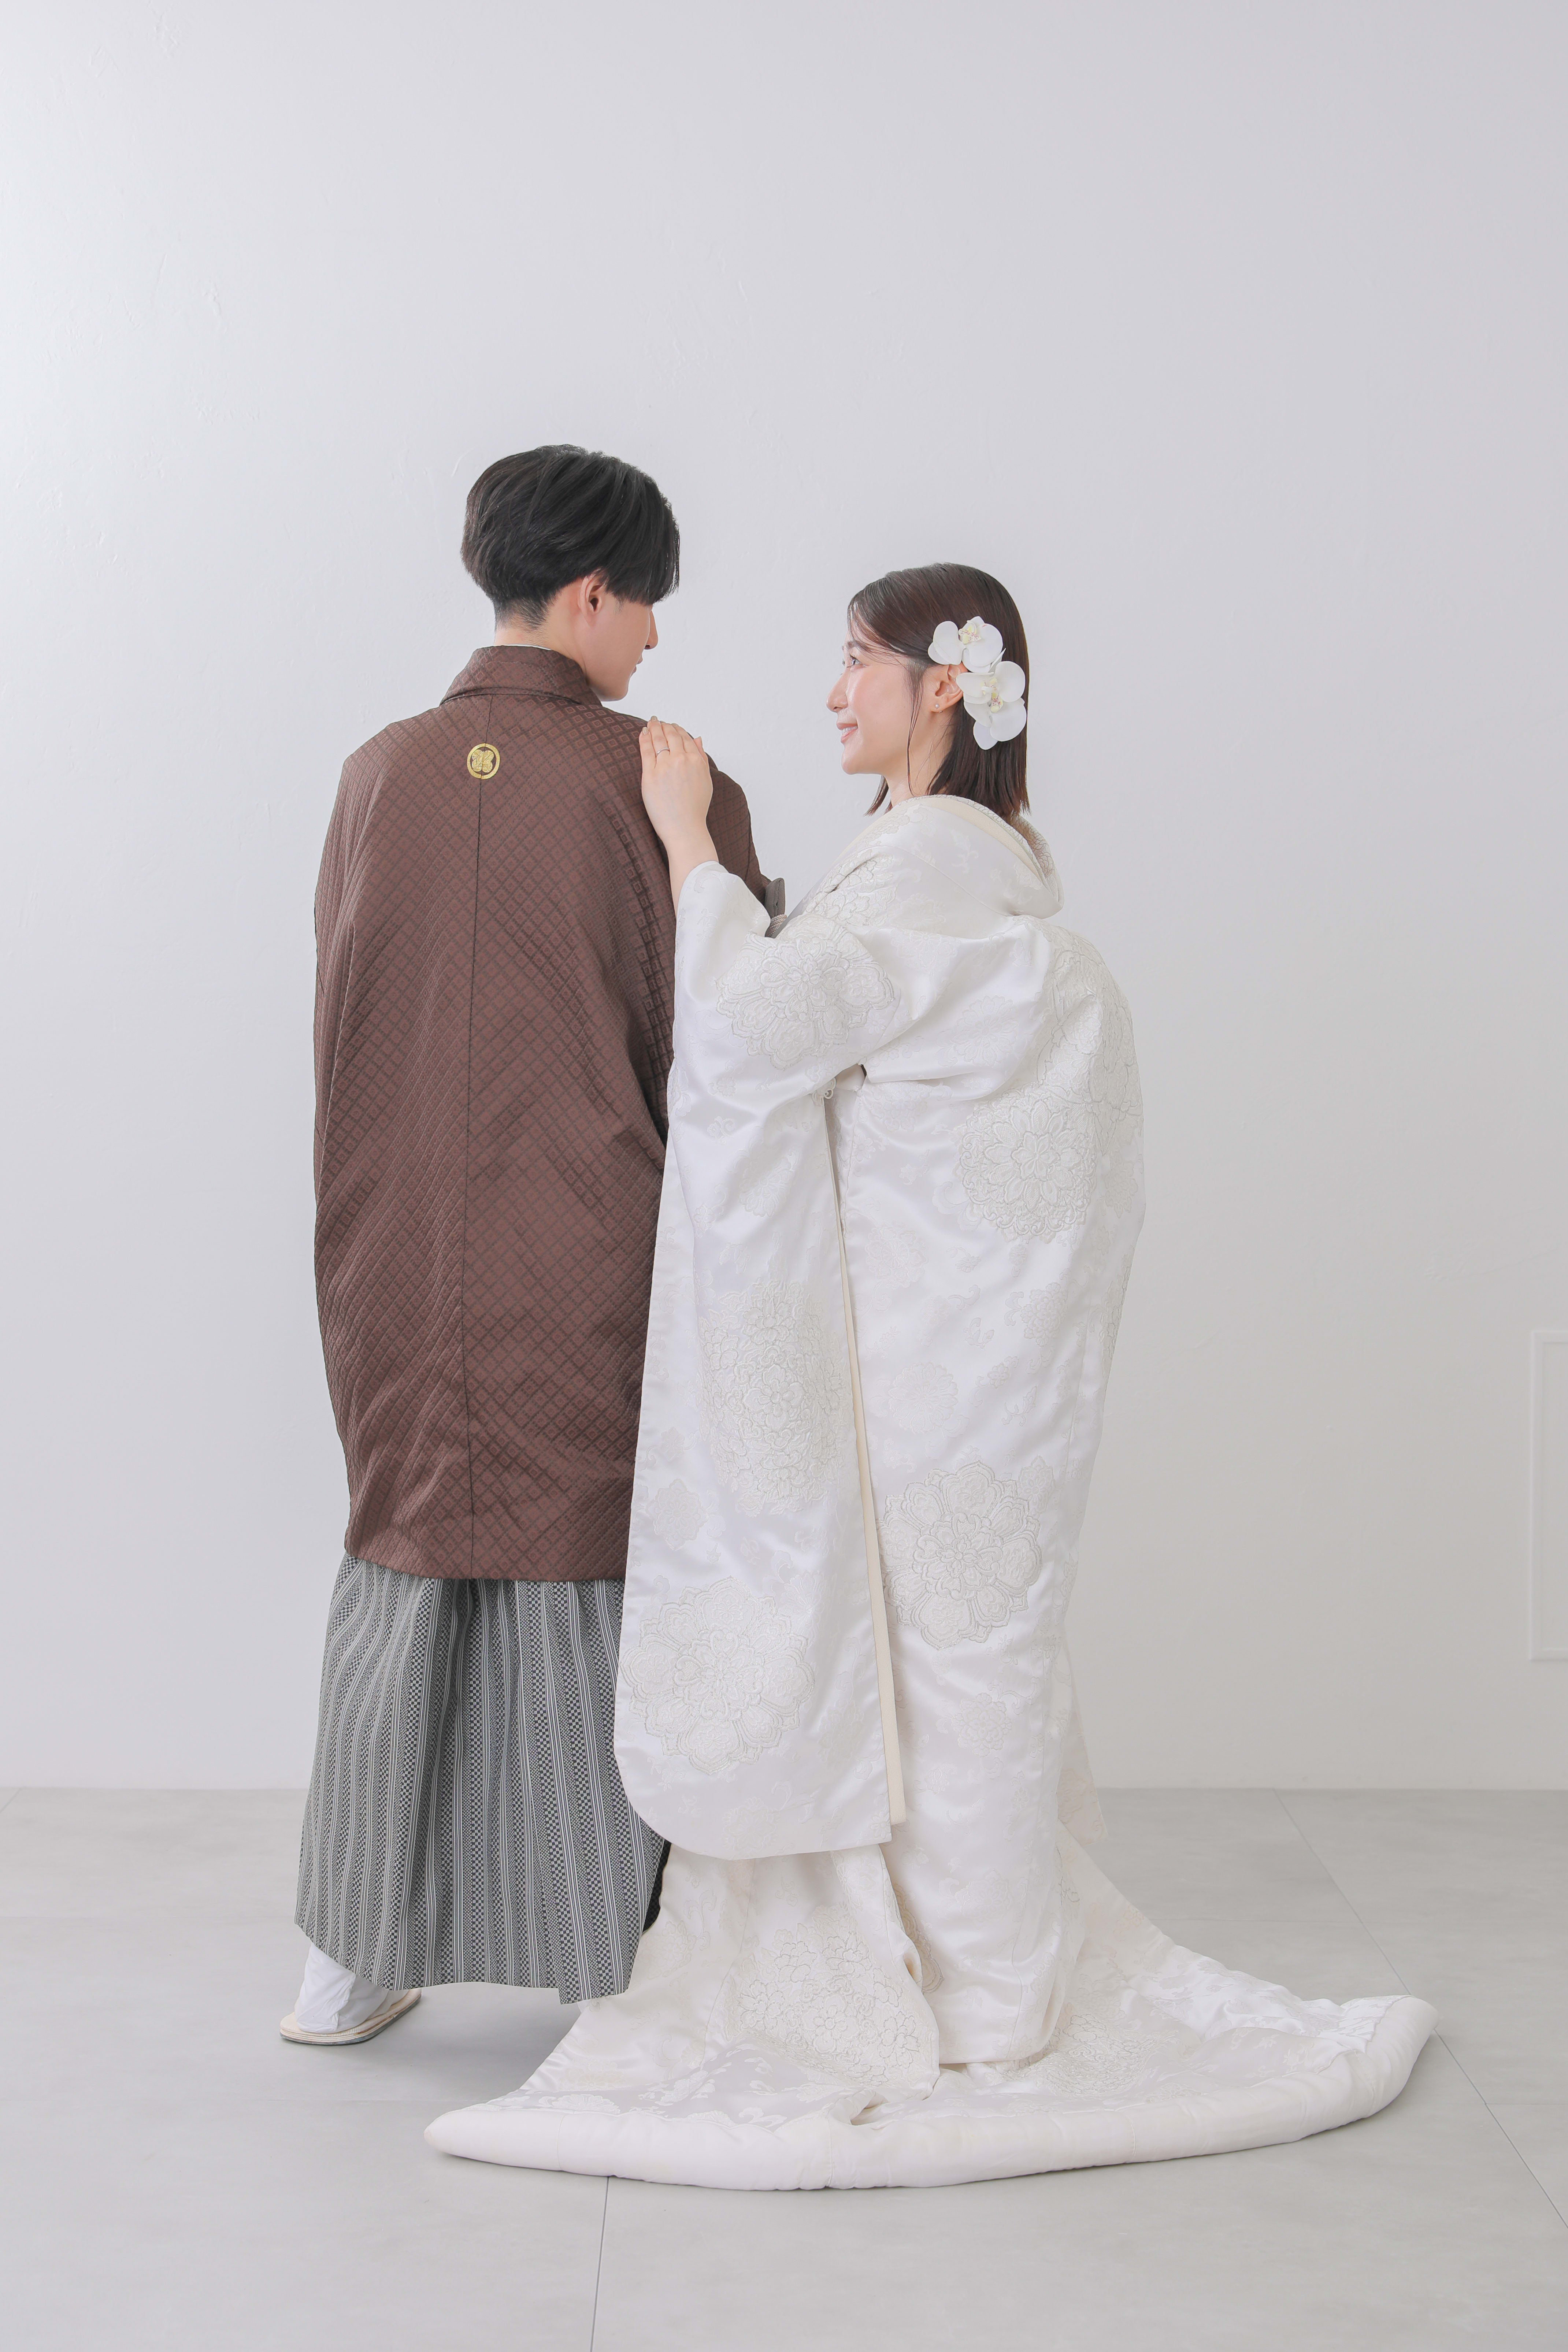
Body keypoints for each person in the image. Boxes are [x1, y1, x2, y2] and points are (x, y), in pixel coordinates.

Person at [427, 562, 1432, 2184]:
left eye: (856, 661)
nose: (834, 692)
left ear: (941, 685)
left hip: (927, 1361)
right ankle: (992, 1979)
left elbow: (749, 1032)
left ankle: (977, 1997)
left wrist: (688, 849)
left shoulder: (923, 870)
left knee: (946, 1659)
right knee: (965, 1655)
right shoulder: (963, 867)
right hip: (965, 1357)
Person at [282, 446, 775, 2046]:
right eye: (648, 606)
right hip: (597, 1238)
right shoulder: (663, 776)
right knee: (591, 1571)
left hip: (389, 1239)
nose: (656, 639)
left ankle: (349, 1956)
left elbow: (343, 1011)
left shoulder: (378, 772)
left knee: (405, 1555)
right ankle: (608, 1964)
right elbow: (736, 1036)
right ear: (591, 593)